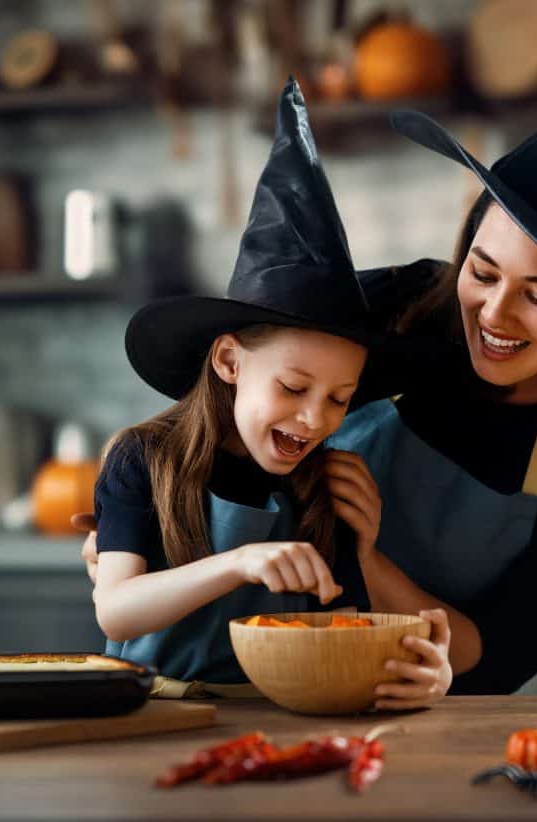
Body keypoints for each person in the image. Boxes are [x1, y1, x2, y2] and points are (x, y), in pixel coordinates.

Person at [85, 84, 537, 701]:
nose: (495, 316)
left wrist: (370, 561)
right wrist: (144, 523)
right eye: (482, 271)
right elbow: (229, 398)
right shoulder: (392, 315)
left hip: (397, 699)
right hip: (260, 686)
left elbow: (501, 656)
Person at [91, 78, 454, 702]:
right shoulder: (142, 458)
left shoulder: (324, 486)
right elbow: (116, 610)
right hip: (149, 718)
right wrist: (237, 563)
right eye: (293, 387)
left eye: (340, 398)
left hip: (279, 721)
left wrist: (426, 667)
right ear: (230, 361)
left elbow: (346, 627)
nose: (315, 420)